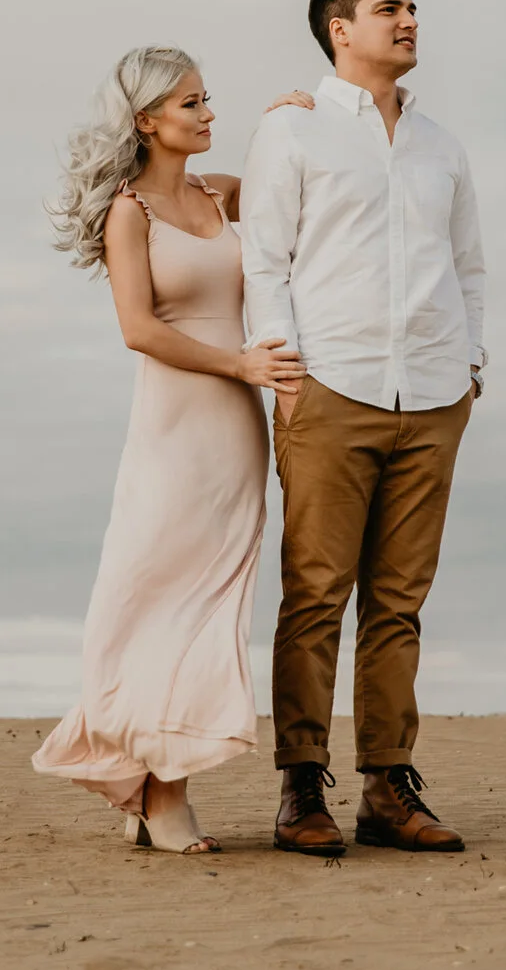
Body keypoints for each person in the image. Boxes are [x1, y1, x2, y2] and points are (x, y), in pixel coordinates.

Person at [31, 48, 312, 853]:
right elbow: (139, 329)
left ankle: (154, 777)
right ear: (148, 119)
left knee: (210, 605)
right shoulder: (131, 212)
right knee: (151, 597)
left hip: (236, 434)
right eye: (191, 103)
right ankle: (158, 791)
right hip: (174, 430)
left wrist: (286, 120)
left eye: (208, 99)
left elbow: (293, 186)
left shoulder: (220, 195)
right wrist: (241, 364)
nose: (206, 114)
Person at [239, 0, 485, 856]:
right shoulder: (293, 134)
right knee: (313, 592)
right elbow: (266, 257)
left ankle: (389, 784)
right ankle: (301, 785)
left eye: (414, 6)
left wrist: (472, 362)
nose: (410, 18)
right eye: (390, 8)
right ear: (341, 28)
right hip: (329, 386)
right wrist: (281, 360)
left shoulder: (441, 147)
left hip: (431, 393)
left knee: (399, 601)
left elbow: (470, 267)